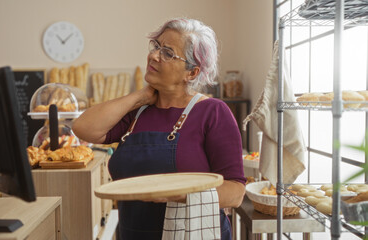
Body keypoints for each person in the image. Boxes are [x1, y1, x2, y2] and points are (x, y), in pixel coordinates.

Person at [73, 18, 246, 240]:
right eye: (156, 46)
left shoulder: (212, 112)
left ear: (191, 73)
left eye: (167, 53)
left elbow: (235, 193)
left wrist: (180, 194)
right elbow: (83, 128)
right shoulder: (138, 112)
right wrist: (140, 95)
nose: (154, 55)